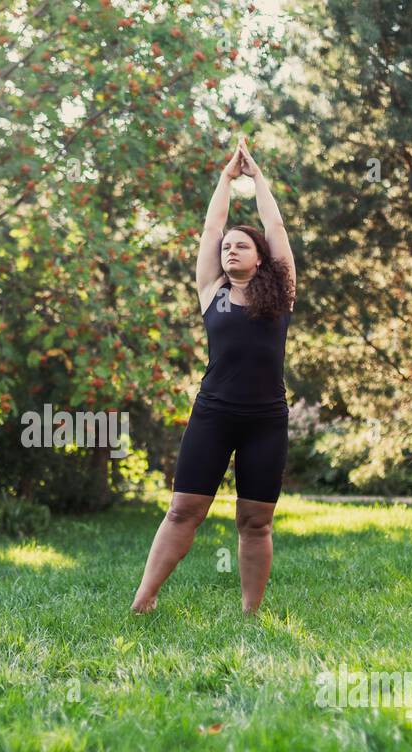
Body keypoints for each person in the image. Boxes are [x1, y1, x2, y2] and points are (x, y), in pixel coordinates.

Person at [131, 136, 297, 615]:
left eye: (241, 246)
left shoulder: (281, 294)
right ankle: (144, 600)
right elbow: (209, 229)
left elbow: (277, 226)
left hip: (266, 418)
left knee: (255, 521)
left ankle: (250, 613)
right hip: (214, 413)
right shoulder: (213, 292)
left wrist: (258, 178)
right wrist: (226, 180)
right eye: (227, 247)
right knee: (183, 510)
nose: (229, 250)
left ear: (260, 257)